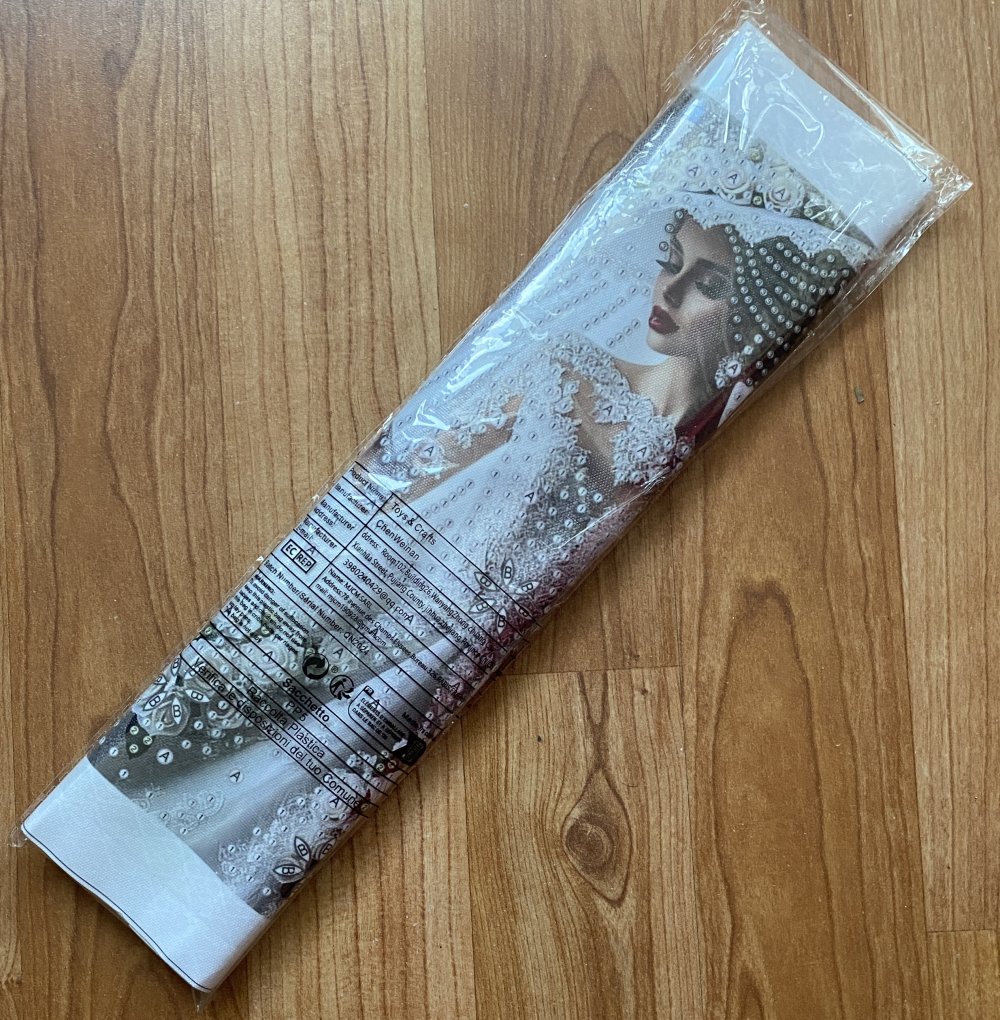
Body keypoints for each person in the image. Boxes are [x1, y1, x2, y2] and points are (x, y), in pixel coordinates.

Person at [84, 132, 867, 916]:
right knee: (248, 730)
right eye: (672, 261)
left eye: (709, 282)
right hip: (404, 594)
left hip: (468, 658)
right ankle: (115, 828)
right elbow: (419, 471)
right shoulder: (566, 364)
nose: (671, 289)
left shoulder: (695, 439)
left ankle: (191, 894)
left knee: (310, 803)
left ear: (748, 313)